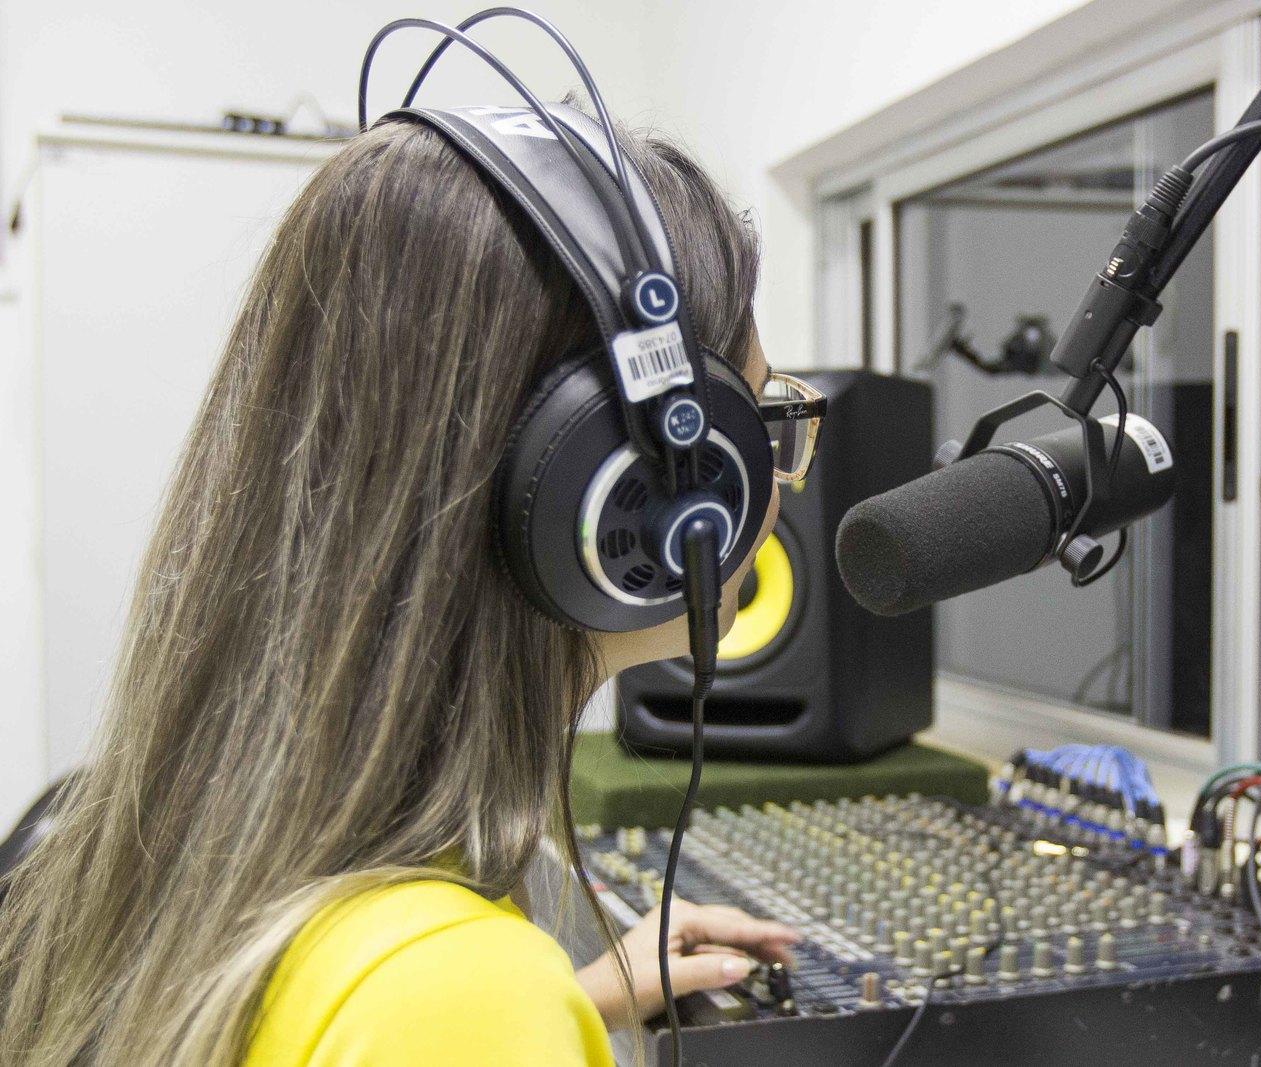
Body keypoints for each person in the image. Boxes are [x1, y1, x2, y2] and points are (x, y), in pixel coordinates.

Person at [0, 110, 799, 1065]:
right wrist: (503, 1013)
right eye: (765, 425)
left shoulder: (213, 845)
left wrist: (568, 1006)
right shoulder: (451, 996)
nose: (781, 478)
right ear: (628, 483)